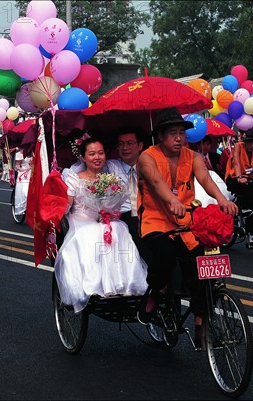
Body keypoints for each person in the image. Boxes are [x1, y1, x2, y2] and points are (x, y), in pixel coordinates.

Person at [136, 108, 238, 347]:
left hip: (186, 221)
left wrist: (222, 200)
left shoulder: (193, 157)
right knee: (166, 257)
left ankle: (201, 320)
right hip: (156, 219)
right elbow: (157, 183)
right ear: (160, 136)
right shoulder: (146, 157)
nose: (179, 138)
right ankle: (156, 290)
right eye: (173, 133)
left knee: (206, 264)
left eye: (182, 133)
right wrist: (172, 201)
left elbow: (205, 179)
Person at [53, 136, 149, 314]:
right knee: (92, 234)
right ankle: (96, 284)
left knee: (120, 228)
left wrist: (109, 210)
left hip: (106, 219)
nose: (97, 157)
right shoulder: (74, 177)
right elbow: (67, 205)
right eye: (92, 154)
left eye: (100, 153)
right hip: (82, 220)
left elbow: (118, 204)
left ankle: (123, 284)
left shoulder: (111, 177)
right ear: (83, 157)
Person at [105, 128, 152, 265]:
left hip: (149, 213)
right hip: (123, 215)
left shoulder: (150, 166)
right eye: (121, 144)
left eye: (130, 143)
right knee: (135, 226)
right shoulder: (110, 166)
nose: (125, 148)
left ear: (140, 146)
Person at [224, 130, 253, 248]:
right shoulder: (238, 147)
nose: (252, 146)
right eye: (250, 143)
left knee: (252, 211)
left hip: (248, 180)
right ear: (245, 142)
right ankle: (243, 210)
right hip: (234, 178)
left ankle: (250, 239)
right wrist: (239, 176)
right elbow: (236, 163)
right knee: (247, 204)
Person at [13, 149, 32, 216]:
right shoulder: (19, 154)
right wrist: (23, 169)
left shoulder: (32, 153)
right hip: (23, 174)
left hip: (31, 172)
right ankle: (23, 206)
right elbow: (17, 166)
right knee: (25, 192)